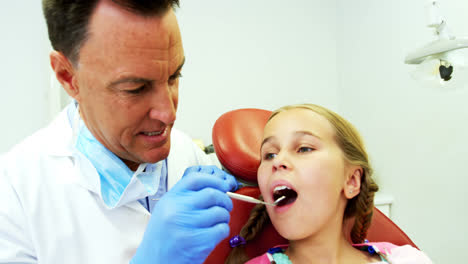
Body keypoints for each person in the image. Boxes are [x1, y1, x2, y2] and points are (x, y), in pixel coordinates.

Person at [0, 1, 238, 263]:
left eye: (174, 76)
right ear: (68, 76)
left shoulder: (187, 156)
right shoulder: (14, 195)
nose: (169, 114)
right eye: (135, 88)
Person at [225, 104, 432, 264]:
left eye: (304, 148)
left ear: (351, 181)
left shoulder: (407, 259)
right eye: (269, 154)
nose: (277, 161)